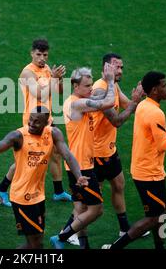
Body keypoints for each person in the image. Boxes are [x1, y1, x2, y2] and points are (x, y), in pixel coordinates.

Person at [102, 71, 166, 249]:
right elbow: (162, 145)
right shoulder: (156, 113)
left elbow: (157, 135)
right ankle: (115, 247)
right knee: (154, 218)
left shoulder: (143, 105)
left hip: (150, 170)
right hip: (148, 174)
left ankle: (160, 246)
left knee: (162, 212)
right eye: (164, 85)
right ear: (155, 90)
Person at [0, 106, 89, 249]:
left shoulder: (53, 134)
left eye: (37, 122)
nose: (31, 124)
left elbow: (68, 155)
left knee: (36, 243)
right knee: (36, 244)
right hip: (22, 198)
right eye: (30, 120)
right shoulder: (18, 136)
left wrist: (79, 176)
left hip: (39, 196)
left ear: (46, 123)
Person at [0, 39, 71, 208]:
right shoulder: (27, 72)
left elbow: (59, 92)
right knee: (27, 160)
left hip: (47, 119)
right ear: (32, 53)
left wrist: (59, 79)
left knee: (56, 153)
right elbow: (39, 94)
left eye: (45, 55)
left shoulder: (48, 69)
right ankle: (1, 188)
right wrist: (53, 79)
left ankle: (58, 191)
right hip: (33, 122)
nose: (42, 58)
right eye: (39, 55)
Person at [48, 64, 116, 249]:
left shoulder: (78, 99)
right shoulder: (77, 104)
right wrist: (110, 81)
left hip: (76, 165)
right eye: (87, 85)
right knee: (96, 209)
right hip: (82, 167)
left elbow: (100, 97)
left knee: (80, 209)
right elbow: (108, 102)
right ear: (76, 87)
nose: (91, 88)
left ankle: (84, 246)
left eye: (92, 84)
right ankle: (61, 237)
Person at [91, 54, 146, 237]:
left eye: (122, 67)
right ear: (106, 68)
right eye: (117, 67)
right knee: (90, 200)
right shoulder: (99, 90)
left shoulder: (113, 86)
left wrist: (141, 99)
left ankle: (124, 229)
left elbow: (127, 105)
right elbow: (116, 121)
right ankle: (68, 232)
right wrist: (135, 102)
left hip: (109, 149)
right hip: (96, 153)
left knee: (119, 184)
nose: (121, 71)